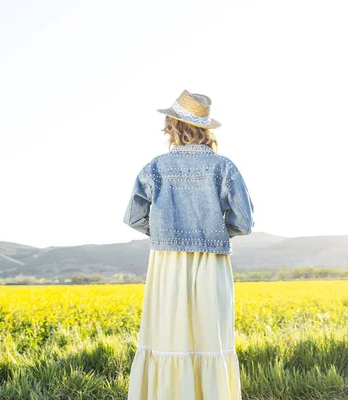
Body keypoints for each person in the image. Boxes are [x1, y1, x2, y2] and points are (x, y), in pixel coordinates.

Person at [123, 90, 254, 400]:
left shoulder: (155, 168)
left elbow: (133, 217)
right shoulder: (224, 168)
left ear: (172, 126)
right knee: (209, 338)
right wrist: (212, 232)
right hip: (212, 263)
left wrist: (166, 231)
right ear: (205, 129)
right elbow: (244, 223)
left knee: (170, 337)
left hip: (166, 263)